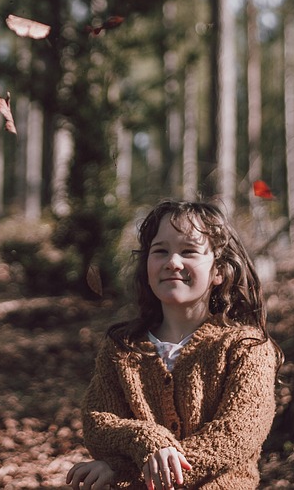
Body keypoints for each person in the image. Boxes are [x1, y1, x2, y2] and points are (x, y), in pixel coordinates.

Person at [65, 199, 281, 490]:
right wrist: (148, 443)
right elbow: (98, 423)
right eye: (160, 251)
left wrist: (122, 472)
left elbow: (236, 435)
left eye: (189, 251)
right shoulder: (123, 348)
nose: (173, 262)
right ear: (147, 265)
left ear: (219, 271)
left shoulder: (247, 348)